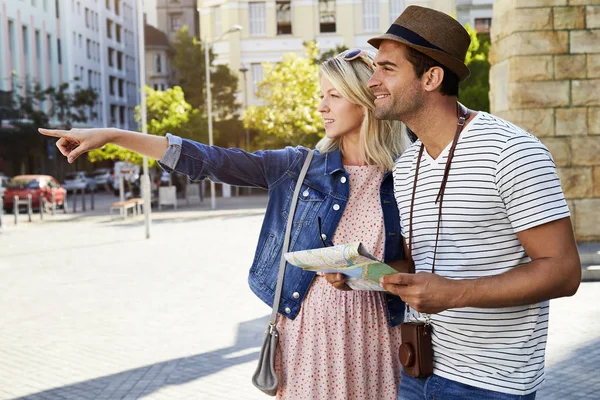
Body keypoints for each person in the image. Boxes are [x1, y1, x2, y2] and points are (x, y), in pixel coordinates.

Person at [39, 50, 412, 399]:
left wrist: (374, 274)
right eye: (321, 95)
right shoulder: (298, 168)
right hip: (310, 334)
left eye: (334, 95)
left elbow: (416, 266)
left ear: (364, 102)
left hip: (377, 336)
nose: (321, 106)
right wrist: (113, 136)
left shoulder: (407, 176)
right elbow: (212, 160)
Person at [366, 5, 582, 400]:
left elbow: (564, 272)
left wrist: (454, 293)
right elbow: (424, 267)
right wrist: (363, 273)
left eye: (387, 69)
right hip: (419, 368)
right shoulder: (408, 163)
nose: (372, 81)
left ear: (431, 78)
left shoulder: (511, 152)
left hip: (491, 384)